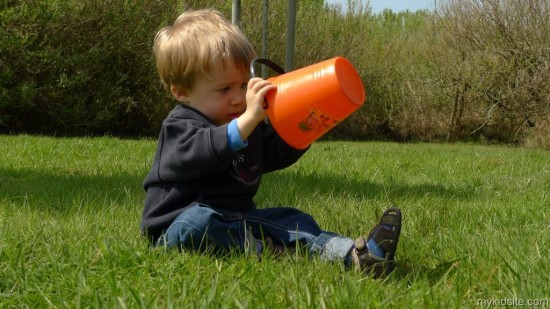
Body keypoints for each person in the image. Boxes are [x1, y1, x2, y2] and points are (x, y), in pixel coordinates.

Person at [141, 8, 402, 277]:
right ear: (182, 92)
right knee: (197, 223)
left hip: (238, 219)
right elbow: (204, 151)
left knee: (290, 219)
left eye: (244, 86)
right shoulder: (180, 125)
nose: (238, 98)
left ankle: (357, 256)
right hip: (175, 229)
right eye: (224, 89)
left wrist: (306, 126)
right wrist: (249, 120)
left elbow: (274, 153)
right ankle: (269, 251)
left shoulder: (245, 123)